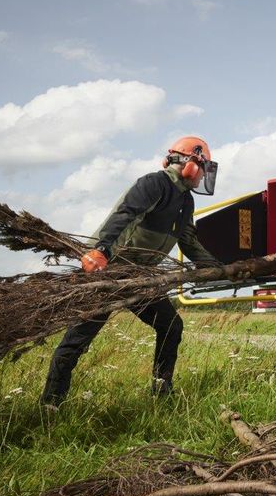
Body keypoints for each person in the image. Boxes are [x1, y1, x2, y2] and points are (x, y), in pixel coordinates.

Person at [40, 136, 222, 406]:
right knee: (79, 338)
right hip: (108, 271)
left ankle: (161, 392)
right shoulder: (153, 184)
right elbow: (124, 216)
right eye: (202, 169)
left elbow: (188, 241)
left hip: (139, 276)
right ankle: (51, 403)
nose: (202, 177)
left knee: (170, 325)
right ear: (191, 164)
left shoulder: (186, 201)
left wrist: (217, 269)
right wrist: (101, 251)